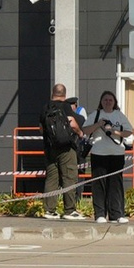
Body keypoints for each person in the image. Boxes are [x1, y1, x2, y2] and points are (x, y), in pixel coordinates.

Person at [87, 88, 133, 223]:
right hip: (99, 153)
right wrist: (98, 124)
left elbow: (129, 131)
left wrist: (114, 131)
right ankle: (100, 214)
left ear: (114, 102)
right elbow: (85, 130)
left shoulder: (119, 115)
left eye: (110, 100)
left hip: (116, 154)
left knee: (116, 184)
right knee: (99, 184)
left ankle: (117, 214)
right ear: (101, 102)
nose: (108, 102)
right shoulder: (96, 114)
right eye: (105, 100)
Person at [41, 85, 87, 218]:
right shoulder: (65, 106)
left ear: (53, 93)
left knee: (51, 178)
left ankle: (49, 210)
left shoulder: (45, 107)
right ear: (64, 94)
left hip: (50, 148)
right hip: (66, 147)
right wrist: (80, 133)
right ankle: (69, 210)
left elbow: (40, 128)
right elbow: (72, 123)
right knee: (69, 177)